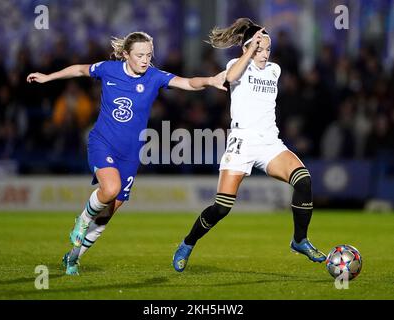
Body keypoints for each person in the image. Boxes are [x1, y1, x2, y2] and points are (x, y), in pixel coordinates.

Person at [27, 31, 227, 275]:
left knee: (108, 214)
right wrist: (48, 77)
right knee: (109, 190)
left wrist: (210, 80)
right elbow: (80, 69)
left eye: (149, 55)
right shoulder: (109, 70)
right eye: (140, 55)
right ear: (125, 55)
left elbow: (186, 82)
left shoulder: (154, 77)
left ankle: (72, 257)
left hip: (130, 155)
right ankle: (81, 220)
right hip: (103, 143)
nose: (145, 60)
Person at [172, 18, 326, 273]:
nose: (265, 54)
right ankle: (187, 243)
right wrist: (251, 48)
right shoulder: (236, 66)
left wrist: (256, 44)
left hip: (269, 142)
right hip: (241, 143)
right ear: (247, 49)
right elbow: (231, 76)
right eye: (259, 49)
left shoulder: (274, 71)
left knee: (304, 180)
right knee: (221, 208)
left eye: (267, 49)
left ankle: (300, 240)